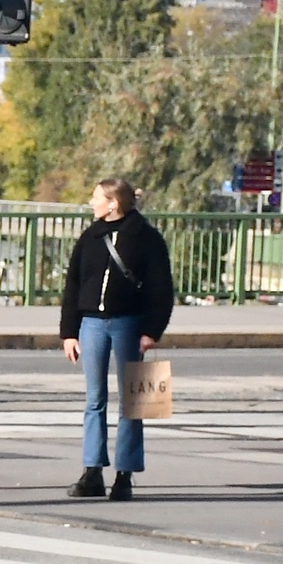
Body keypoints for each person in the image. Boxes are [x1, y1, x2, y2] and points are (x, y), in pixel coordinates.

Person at [59, 176, 173, 501]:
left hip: (129, 324)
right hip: (91, 324)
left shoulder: (146, 239)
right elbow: (73, 286)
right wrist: (69, 332)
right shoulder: (90, 238)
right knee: (94, 400)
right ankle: (92, 471)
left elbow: (161, 288)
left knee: (132, 402)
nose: (91, 202)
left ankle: (125, 475)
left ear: (113, 203)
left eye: (96, 198)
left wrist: (153, 330)